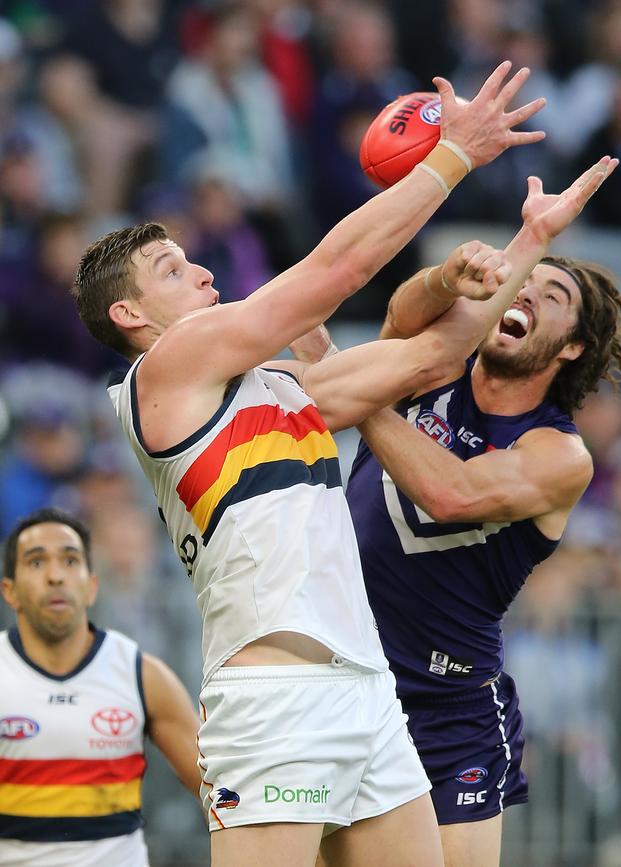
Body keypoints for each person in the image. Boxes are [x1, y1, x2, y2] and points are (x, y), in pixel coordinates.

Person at [70, 62, 566, 867]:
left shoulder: (279, 384)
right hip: (276, 697)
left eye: (191, 258)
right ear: (130, 315)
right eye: (169, 271)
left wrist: (530, 241)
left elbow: (434, 357)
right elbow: (338, 272)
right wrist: (453, 159)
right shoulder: (165, 370)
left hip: (368, 691)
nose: (199, 269)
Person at [335, 193, 621, 865]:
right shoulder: (437, 367)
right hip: (344, 686)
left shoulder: (559, 455)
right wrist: (447, 278)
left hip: (448, 709)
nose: (524, 293)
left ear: (574, 346)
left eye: (551, 294)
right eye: (519, 282)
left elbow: (448, 492)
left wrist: (362, 397)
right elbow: (399, 315)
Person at [0, 508, 202, 867]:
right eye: (35, 562)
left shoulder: (142, 675)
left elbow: (222, 795)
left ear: (92, 586)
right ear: (9, 591)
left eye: (70, 560)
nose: (55, 576)